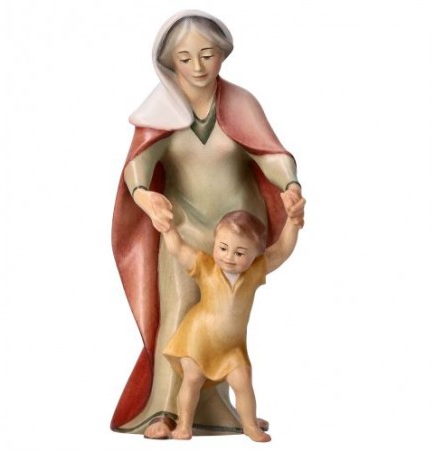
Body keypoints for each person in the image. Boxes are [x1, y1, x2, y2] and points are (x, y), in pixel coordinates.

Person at [111, 10, 306, 438]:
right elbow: (137, 165)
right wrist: (144, 196)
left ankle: (215, 409)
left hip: (238, 230)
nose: (198, 67)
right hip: (180, 224)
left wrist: (289, 183)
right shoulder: (159, 109)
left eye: (207, 54)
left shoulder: (240, 104)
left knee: (224, 318)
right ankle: (166, 409)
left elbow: (270, 154)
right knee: (178, 312)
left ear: (223, 54)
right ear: (169, 61)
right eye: (185, 58)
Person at [161, 192, 303, 442]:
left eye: (240, 253)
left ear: (256, 254)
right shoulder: (205, 266)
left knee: (243, 381)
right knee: (192, 379)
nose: (228, 257)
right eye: (223, 248)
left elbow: (282, 249)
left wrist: (293, 222)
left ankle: (249, 426)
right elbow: (179, 249)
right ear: (215, 242)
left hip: (231, 347)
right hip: (198, 340)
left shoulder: (255, 271)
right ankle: (184, 425)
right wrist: (168, 227)